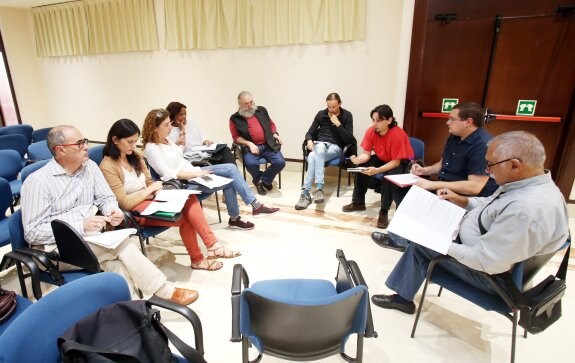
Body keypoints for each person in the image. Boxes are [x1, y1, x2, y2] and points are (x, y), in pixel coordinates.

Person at [371, 131, 569, 315]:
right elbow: (491, 205)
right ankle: (400, 239)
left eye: (490, 165)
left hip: (491, 277)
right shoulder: (532, 185)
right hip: (484, 246)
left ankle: (402, 293)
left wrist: (439, 243)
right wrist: (463, 201)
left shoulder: (525, 209)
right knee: (425, 225)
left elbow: (484, 261)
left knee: (420, 245)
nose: (487, 170)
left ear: (515, 165)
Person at [20, 125, 199, 305]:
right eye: (79, 144)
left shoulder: (89, 167)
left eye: (85, 141)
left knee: (116, 267)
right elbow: (33, 232)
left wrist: (112, 211)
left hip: (91, 239)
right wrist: (81, 225)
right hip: (55, 248)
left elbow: (106, 198)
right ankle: (164, 291)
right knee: (121, 244)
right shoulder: (38, 182)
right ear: (60, 150)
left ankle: (135, 310)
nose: (86, 147)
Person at [100, 119, 240, 272]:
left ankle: (212, 246)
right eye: (129, 142)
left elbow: (148, 181)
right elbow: (124, 203)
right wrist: (150, 190)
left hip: (151, 200)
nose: (133, 146)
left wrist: (159, 193)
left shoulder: (135, 156)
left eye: (135, 141)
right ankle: (200, 257)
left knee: (188, 197)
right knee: (185, 217)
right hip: (135, 211)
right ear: (115, 140)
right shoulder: (108, 166)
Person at [371, 101, 499, 246]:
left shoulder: (482, 145)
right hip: (444, 186)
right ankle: (406, 238)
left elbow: (474, 187)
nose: (447, 122)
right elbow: (443, 163)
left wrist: (432, 184)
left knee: (420, 198)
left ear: (468, 122)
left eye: (452, 119)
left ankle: (409, 241)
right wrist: (424, 170)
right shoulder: (455, 136)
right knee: (400, 190)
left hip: (463, 197)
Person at [142, 109, 279, 231]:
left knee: (231, 170)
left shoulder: (166, 141)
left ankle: (241, 215)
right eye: (166, 125)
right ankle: (248, 210)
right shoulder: (152, 148)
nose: (170, 128)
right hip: (183, 183)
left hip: (194, 173)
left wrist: (183, 133)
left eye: (169, 123)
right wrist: (195, 174)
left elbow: (179, 154)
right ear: (155, 128)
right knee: (231, 173)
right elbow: (167, 175)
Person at [342, 105, 414, 229]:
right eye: (373, 120)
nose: (375, 124)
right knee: (362, 167)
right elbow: (366, 154)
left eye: (379, 120)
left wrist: (377, 170)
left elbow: (395, 163)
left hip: (399, 161)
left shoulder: (397, 134)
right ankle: (358, 202)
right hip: (382, 157)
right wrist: (358, 160)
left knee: (388, 177)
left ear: (389, 120)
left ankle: (384, 211)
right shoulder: (371, 131)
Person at [295, 92, 355, 210]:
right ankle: (312, 191)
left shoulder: (347, 115)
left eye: (334, 107)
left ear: (340, 104)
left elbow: (349, 139)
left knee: (314, 155)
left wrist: (337, 124)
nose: (331, 110)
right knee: (318, 150)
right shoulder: (321, 114)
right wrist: (309, 141)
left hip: (336, 147)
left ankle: (310, 192)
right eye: (329, 107)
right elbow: (310, 132)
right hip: (320, 145)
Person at [229, 91, 286, 195]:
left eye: (251, 102)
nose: (249, 106)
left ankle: (262, 180)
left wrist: (275, 134)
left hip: (268, 143)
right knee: (250, 163)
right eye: (246, 103)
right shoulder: (234, 118)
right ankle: (262, 182)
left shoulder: (261, 110)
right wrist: (249, 144)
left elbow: (271, 125)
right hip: (251, 147)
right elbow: (236, 137)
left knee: (280, 162)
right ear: (239, 103)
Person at [166, 101, 236, 165]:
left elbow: (202, 136)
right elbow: (179, 150)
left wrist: (205, 141)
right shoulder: (169, 130)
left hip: (202, 151)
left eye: (185, 114)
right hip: (191, 157)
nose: (184, 116)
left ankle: (235, 172)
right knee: (222, 161)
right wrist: (182, 129)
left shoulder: (191, 122)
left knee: (225, 149)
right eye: (181, 114)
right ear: (173, 116)